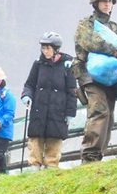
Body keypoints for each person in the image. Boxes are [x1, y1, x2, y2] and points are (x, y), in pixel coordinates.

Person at [74, 0, 117, 163]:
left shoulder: (113, 27)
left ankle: (98, 155)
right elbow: (92, 43)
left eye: (109, 1)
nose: (107, 4)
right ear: (95, 3)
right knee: (99, 111)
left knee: (108, 115)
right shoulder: (86, 24)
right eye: (103, 0)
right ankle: (90, 156)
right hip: (89, 74)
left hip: (110, 77)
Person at [21, 33, 77, 169]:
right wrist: (26, 95)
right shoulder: (38, 64)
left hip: (58, 111)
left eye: (48, 48)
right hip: (39, 109)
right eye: (43, 48)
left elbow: (72, 91)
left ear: (56, 49)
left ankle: (51, 168)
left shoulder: (67, 66)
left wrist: (70, 112)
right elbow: (29, 84)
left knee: (54, 141)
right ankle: (34, 166)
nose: (45, 51)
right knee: (35, 139)